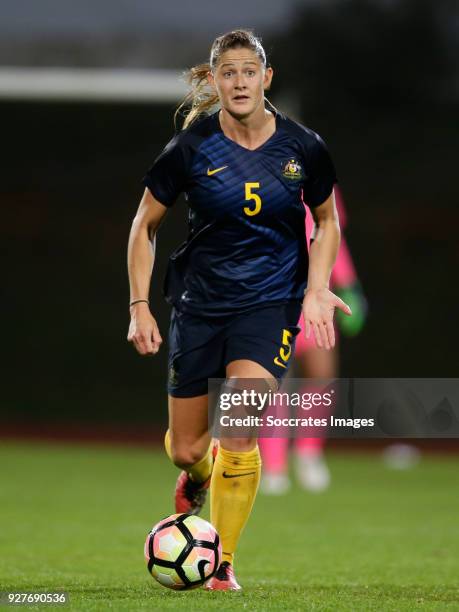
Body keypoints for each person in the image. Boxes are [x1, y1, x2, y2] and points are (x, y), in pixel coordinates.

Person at [127, 29, 351, 591]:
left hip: (269, 306)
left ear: (265, 78)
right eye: (228, 72)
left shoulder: (303, 146)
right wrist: (139, 305)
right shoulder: (191, 148)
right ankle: (196, 478)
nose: (240, 81)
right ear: (214, 81)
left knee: (241, 429)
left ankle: (221, 561)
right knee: (186, 448)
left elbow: (326, 221)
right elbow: (143, 226)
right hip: (200, 306)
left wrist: (317, 287)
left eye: (249, 71)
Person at [259, 187, 368, 494]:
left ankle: (308, 452)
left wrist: (349, 285)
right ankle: (274, 463)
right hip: (274, 294)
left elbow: (333, 236)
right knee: (275, 381)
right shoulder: (262, 175)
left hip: (317, 294)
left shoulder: (322, 183)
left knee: (321, 376)